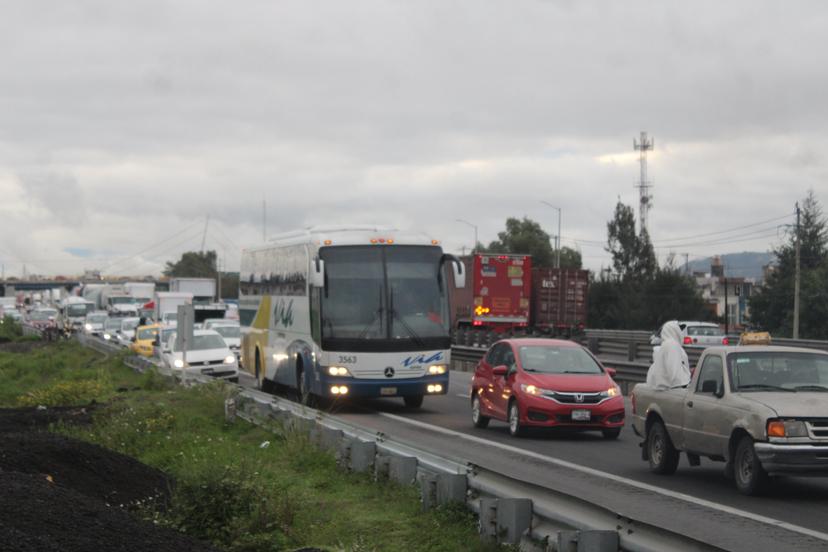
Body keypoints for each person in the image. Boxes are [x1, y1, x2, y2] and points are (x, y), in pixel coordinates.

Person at [646, 320, 691, 390]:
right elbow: (674, 371)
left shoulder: (666, 345)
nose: (681, 332)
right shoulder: (672, 345)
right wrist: (683, 385)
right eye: (679, 329)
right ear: (673, 330)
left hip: (663, 389)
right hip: (673, 390)